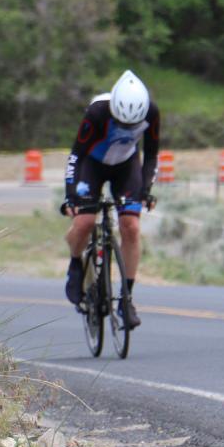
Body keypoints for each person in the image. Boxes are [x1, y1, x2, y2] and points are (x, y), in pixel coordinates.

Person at [62, 70, 160, 329]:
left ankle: (126, 299)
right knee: (83, 222)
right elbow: (76, 156)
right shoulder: (97, 112)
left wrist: (147, 188)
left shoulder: (151, 112)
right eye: (121, 122)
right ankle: (75, 266)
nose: (127, 128)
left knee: (131, 227)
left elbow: (151, 155)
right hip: (92, 165)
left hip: (125, 167)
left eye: (132, 125)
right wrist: (71, 195)